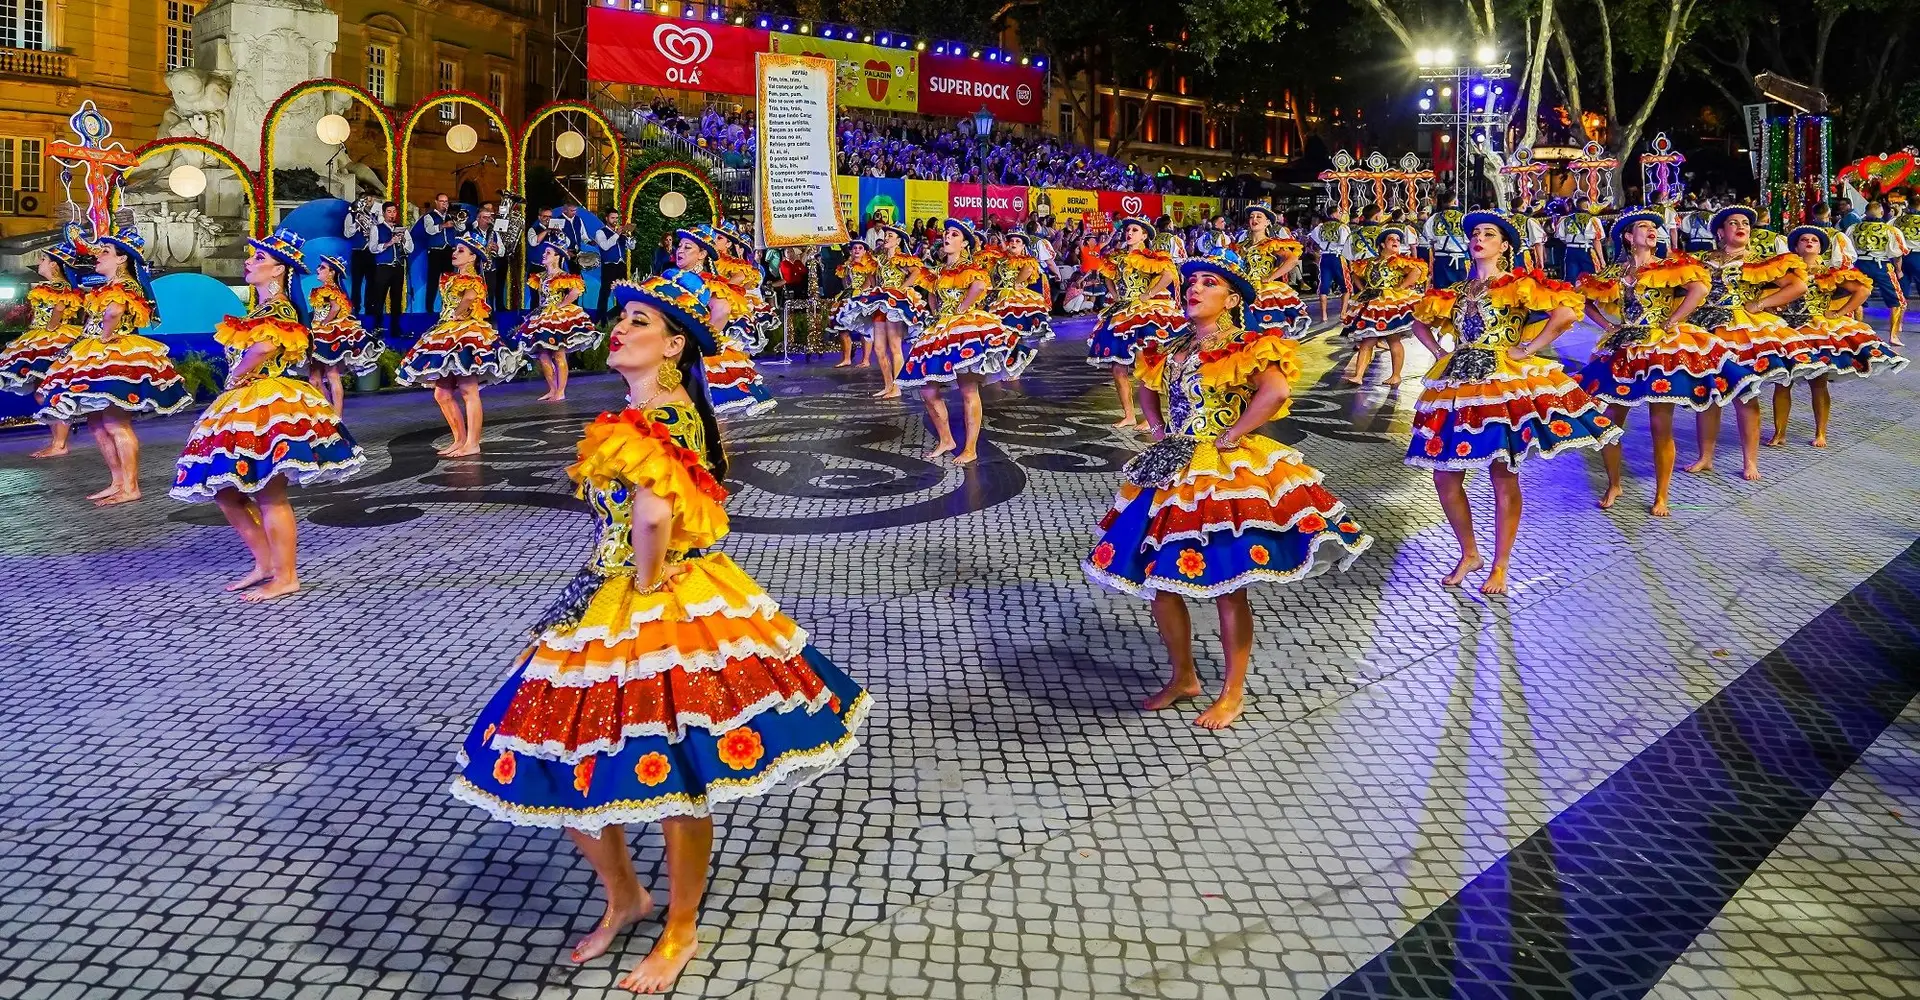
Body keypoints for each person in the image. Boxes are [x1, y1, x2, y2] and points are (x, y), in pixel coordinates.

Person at [448, 271, 871, 993]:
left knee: (655, 766)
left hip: (651, 594)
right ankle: (633, 901)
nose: (621, 329)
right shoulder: (647, 410)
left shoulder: (665, 416)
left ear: (675, 345)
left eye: (640, 321)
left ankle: (676, 926)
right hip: (609, 592)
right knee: (578, 752)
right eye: (622, 319)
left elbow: (652, 515)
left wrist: (643, 582)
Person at [1083, 250, 1371, 729]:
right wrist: (1157, 428)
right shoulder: (1172, 344)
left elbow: (1276, 391)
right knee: (1159, 579)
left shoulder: (1246, 344)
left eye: (1208, 283)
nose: (1194, 288)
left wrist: (1234, 433)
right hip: (1172, 465)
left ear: (1232, 299)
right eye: (1191, 281)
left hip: (1223, 470)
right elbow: (1148, 387)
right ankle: (1183, 677)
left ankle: (1232, 692)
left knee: (1229, 584)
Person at [1406, 211, 1620, 594]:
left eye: (1489, 234)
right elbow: (1419, 320)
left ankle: (1500, 565)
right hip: (1456, 385)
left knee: (1503, 473)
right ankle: (1469, 553)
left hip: (1503, 384)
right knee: (1444, 476)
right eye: (1475, 233)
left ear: (1505, 246)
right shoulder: (1455, 290)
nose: (1479, 238)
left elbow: (1565, 312)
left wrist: (1528, 348)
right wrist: (1439, 351)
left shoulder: (1520, 285)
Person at [171, 230, 365, 601]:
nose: (249, 261)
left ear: (279, 270)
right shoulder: (260, 310)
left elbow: (264, 347)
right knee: (227, 493)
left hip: (269, 401)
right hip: (245, 402)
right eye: (252, 256)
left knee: (269, 494)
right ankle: (265, 564)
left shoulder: (280, 309)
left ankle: (287, 575)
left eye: (259, 258)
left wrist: (236, 375)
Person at [1572, 209, 1723, 517]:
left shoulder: (1668, 267)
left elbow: (1699, 288)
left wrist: (1673, 320)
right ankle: (1614, 484)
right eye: (1644, 226)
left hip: (1659, 349)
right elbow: (1581, 298)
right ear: (1629, 236)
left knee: (1660, 424)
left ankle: (1661, 495)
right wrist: (1607, 325)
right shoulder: (1615, 271)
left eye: (1654, 226)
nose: (1652, 230)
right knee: (1609, 422)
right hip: (1623, 349)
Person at [36, 229, 194, 504]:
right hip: (98, 351)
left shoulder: (125, 285)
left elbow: (114, 312)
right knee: (97, 422)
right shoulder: (110, 285)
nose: (99, 256)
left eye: (105, 252)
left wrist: (105, 336)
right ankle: (117, 481)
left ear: (122, 259)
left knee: (115, 422)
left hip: (115, 354)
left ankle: (130, 486)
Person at [1687, 205, 1809, 481]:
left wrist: (1761, 303)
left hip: (1740, 330)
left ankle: (1750, 462)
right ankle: (1705, 457)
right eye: (1734, 223)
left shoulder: (1758, 261)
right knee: (1708, 394)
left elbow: (1798, 286)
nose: (1741, 226)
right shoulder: (1700, 260)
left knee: (1745, 393)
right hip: (1704, 329)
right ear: (1720, 232)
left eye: (1745, 223)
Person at [897, 219, 1029, 464]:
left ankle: (970, 448)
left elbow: (979, 285)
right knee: (927, 390)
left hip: (964, 327)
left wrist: (962, 307)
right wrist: (936, 314)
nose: (947, 237)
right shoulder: (938, 271)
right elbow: (932, 294)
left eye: (954, 234)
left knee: (968, 390)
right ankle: (946, 439)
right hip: (941, 328)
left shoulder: (970, 267)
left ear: (965, 243)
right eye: (946, 233)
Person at [1765, 226, 1909, 447]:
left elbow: (1863, 290)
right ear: (1795, 246)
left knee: (1818, 382)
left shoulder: (1829, 272)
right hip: (1787, 329)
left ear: (1821, 248)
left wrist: (1839, 313)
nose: (1809, 242)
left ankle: (1820, 433)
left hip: (1817, 329)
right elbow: (1760, 291)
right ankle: (1779, 433)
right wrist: (1770, 309)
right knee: (1783, 382)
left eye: (1814, 240)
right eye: (1804, 240)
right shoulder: (1784, 270)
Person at [396, 232, 520, 456]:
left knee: (467, 389)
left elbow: (470, 297)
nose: (455, 253)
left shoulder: (474, 279)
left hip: (466, 332)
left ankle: (473, 443)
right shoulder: (451, 278)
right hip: (447, 331)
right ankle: (459, 440)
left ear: (473, 257)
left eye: (461, 251)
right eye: (455, 249)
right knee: (442, 394)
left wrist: (456, 313)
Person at [1086, 217, 1185, 429]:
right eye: (1128, 230)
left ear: (1144, 235)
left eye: (1134, 230)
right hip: (1121, 311)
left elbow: (1169, 275)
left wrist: (1149, 294)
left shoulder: (1151, 256)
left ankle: (1150, 417)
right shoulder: (1118, 257)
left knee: (1144, 365)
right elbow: (1107, 276)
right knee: (1117, 367)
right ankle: (1129, 415)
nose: (1129, 233)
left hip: (1143, 313)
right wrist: (1115, 295)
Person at [668, 225, 776, 415]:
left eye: (687, 247)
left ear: (702, 254)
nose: (680, 250)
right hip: (673, 348)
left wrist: (700, 342)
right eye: (680, 246)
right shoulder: (675, 278)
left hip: (693, 353)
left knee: (702, 411)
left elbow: (723, 310)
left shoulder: (707, 282)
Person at [0, 243, 89, 458]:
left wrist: (50, 327)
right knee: (43, 392)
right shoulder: (53, 286)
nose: (39, 263)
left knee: (51, 391)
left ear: (54, 265)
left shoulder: (59, 286)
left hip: (53, 339)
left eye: (43, 259)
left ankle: (59, 444)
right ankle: (57, 442)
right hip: (44, 338)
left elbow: (60, 307)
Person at [837, 223, 927, 400]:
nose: (886, 238)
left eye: (890, 236)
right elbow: (871, 276)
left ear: (898, 241)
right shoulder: (880, 259)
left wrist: (902, 288)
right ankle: (888, 385)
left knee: (895, 347)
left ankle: (897, 387)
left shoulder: (903, 259)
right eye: (886, 235)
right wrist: (867, 291)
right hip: (881, 302)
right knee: (878, 348)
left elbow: (916, 272)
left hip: (895, 305)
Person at [1340, 226, 1427, 384]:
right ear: (1382, 244)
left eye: (1398, 240)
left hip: (1390, 302)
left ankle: (1396, 376)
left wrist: (1401, 287)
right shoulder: (1369, 262)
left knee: (1393, 339)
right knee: (1368, 340)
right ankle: (1358, 376)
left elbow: (1417, 271)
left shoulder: (1400, 261)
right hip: (1371, 302)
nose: (1396, 242)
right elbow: (1355, 274)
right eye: (1392, 239)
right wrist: (1362, 289)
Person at [517, 239, 598, 403]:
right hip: (543, 316)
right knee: (543, 355)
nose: (544, 255)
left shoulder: (564, 276)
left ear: (557, 257)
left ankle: (561, 391)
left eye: (548, 253)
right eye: (545, 252)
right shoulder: (540, 277)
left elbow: (575, 291)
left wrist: (561, 305)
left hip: (557, 317)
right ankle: (552, 389)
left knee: (559, 353)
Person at [307, 255, 383, 416]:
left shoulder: (329, 289)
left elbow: (335, 308)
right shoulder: (328, 290)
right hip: (317, 333)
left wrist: (324, 323)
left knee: (331, 374)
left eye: (322, 267)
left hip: (327, 334)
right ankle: (330, 412)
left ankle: (337, 416)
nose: (318, 269)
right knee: (314, 379)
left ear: (332, 273)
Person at [1238, 204, 1310, 339]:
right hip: (1243, 290)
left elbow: (1292, 259)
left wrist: (1271, 277)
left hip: (1263, 291)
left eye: (1259, 216)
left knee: (1266, 333)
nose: (1254, 219)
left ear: (1267, 222)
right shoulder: (1241, 245)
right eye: (1252, 216)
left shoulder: (1271, 243)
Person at [1846, 201, 1909, 347]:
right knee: (1897, 301)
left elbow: (1848, 249)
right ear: (1881, 213)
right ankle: (1893, 336)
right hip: (1881, 266)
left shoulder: (1853, 228)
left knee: (1856, 299)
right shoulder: (1891, 230)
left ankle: (1857, 333)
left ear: (1865, 212)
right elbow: (1897, 254)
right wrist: (1899, 270)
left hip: (1860, 265)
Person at [982, 229, 1054, 351]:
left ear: (1023, 246)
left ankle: (1017, 354)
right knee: (997, 332)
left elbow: (1029, 269)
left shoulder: (1025, 259)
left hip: (1011, 298)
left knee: (1010, 329)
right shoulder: (1001, 258)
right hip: (994, 297)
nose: (1014, 243)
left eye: (1017, 241)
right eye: (1012, 240)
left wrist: (1016, 282)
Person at [353, 201, 411, 341]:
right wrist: (389, 243)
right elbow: (373, 248)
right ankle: (377, 327)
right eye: (389, 212)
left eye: (394, 212)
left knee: (396, 299)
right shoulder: (376, 228)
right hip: (382, 268)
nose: (392, 214)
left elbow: (411, 248)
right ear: (384, 213)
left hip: (398, 268)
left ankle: (396, 329)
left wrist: (403, 241)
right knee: (379, 298)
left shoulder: (402, 229)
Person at [830, 240, 876, 368]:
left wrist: (859, 291)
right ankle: (846, 358)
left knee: (865, 328)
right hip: (848, 295)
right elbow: (845, 283)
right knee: (841, 325)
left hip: (863, 297)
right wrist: (848, 293)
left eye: (860, 248)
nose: (857, 250)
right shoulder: (846, 266)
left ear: (865, 251)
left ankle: (866, 360)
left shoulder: (869, 264)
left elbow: (871, 281)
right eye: (855, 248)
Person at [1308, 212, 1352, 322]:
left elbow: (1313, 240)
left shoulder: (1320, 227)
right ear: (1335, 215)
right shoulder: (1342, 227)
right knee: (1346, 286)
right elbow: (1347, 243)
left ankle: (1324, 315)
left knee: (1324, 286)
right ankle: (1343, 313)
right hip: (1338, 258)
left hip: (1324, 258)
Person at [590, 211, 632, 321]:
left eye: (616, 218)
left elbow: (631, 247)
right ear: (606, 218)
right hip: (609, 266)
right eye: (612, 218)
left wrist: (629, 237)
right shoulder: (600, 232)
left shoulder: (620, 232)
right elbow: (605, 246)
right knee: (605, 292)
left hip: (621, 265)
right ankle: (601, 320)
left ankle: (620, 317)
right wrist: (617, 234)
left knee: (622, 292)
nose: (615, 220)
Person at [1422, 194, 1468, 288]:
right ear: (1455, 202)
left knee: (1440, 292)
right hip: (1459, 261)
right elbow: (1469, 239)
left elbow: (1428, 238)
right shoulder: (1463, 218)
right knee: (1459, 291)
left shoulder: (1434, 218)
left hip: (1440, 260)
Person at [421, 193, 456, 312]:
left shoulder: (451, 215)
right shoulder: (429, 216)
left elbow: (461, 228)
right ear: (436, 202)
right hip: (435, 251)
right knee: (433, 280)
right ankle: (429, 309)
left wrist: (458, 221)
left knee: (449, 280)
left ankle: (448, 307)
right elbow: (429, 230)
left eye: (446, 202)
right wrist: (443, 225)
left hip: (449, 251)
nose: (444, 204)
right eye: (442, 201)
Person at [1558, 198, 1607, 283]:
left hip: (1570, 251)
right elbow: (1596, 240)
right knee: (1590, 279)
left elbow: (1562, 238)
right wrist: (1602, 260)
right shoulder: (1593, 220)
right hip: (1586, 251)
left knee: (1571, 280)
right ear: (1588, 206)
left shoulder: (1566, 220)